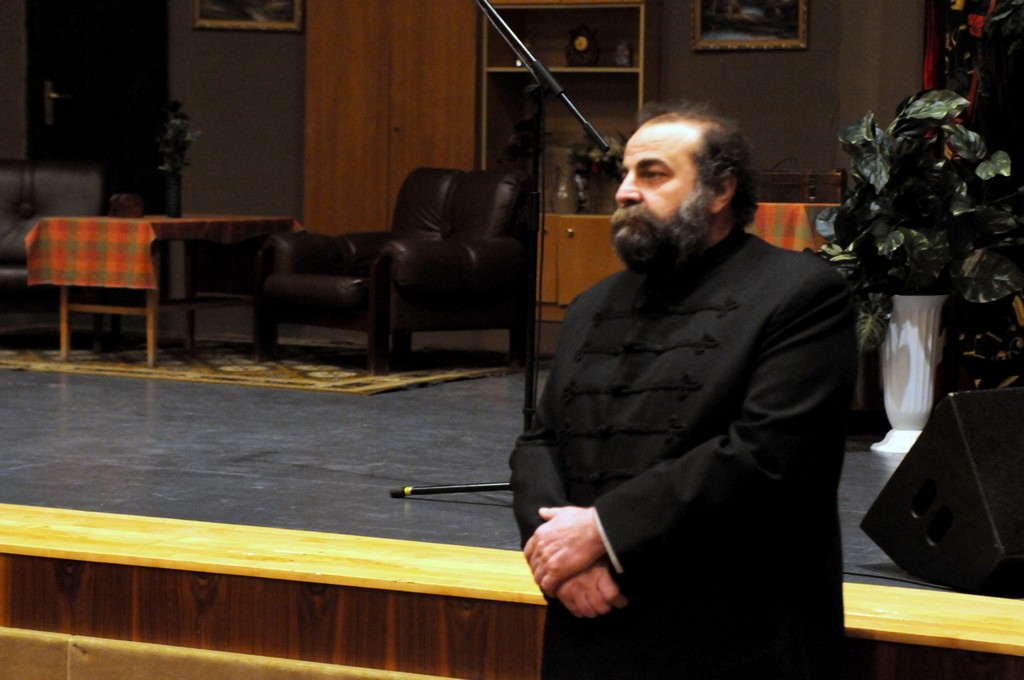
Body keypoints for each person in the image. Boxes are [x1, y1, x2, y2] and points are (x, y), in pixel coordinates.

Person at [509, 101, 858, 679]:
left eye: (652, 174)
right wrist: (561, 559)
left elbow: (767, 456)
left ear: (720, 190)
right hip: (590, 619)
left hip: (732, 634)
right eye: (625, 173)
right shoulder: (593, 305)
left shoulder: (801, 294)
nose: (624, 191)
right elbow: (541, 441)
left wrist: (601, 531)